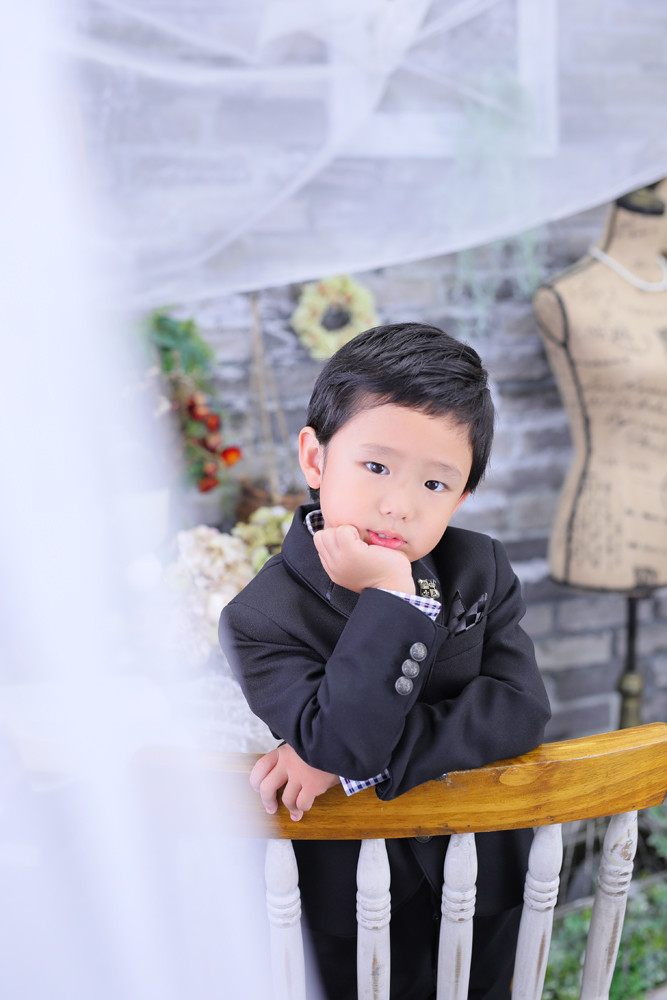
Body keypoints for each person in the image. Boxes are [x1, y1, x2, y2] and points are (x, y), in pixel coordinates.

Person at [219, 323, 551, 1000]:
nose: (399, 504)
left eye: (434, 483)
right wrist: (392, 598)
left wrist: (346, 765)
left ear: (461, 497)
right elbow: (343, 740)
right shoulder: (259, 618)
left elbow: (520, 710)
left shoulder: (479, 567)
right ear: (315, 459)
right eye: (375, 467)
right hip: (348, 901)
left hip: (483, 873)